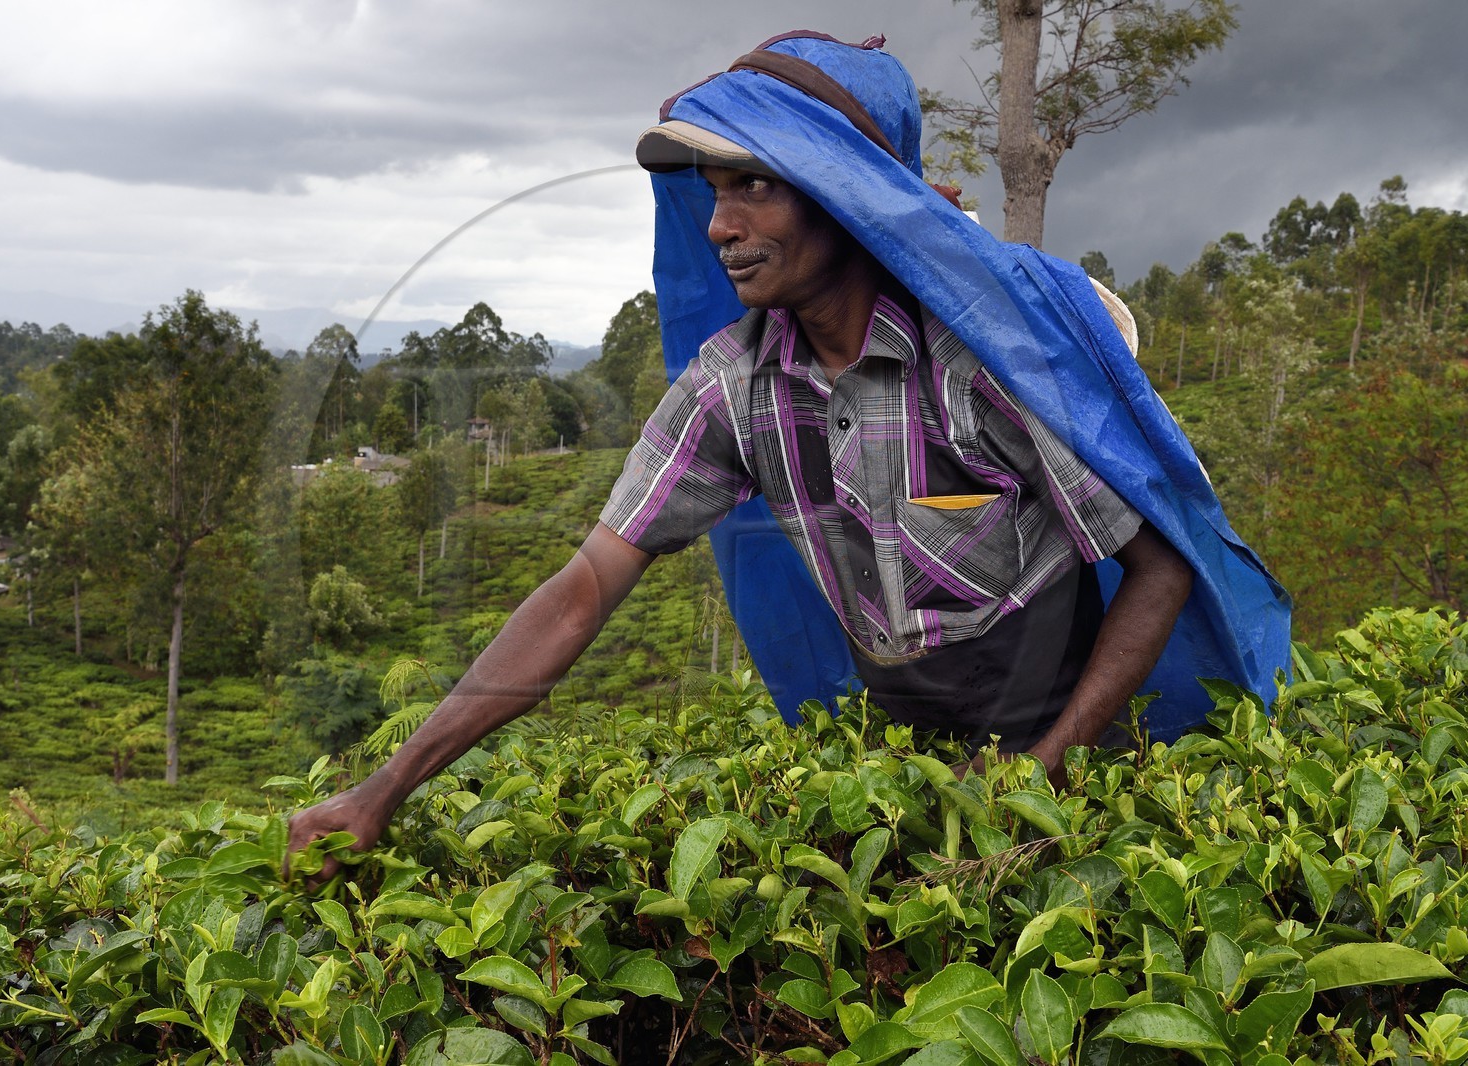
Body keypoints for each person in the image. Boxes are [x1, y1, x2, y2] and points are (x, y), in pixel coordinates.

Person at [286, 32, 1284, 882]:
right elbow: (580, 592)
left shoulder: (986, 360)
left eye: (755, 187)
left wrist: (1042, 779)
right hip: (902, 774)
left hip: (1064, 764)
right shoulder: (734, 388)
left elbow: (1153, 563)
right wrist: (385, 786)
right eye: (716, 193)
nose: (721, 225)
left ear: (843, 196)